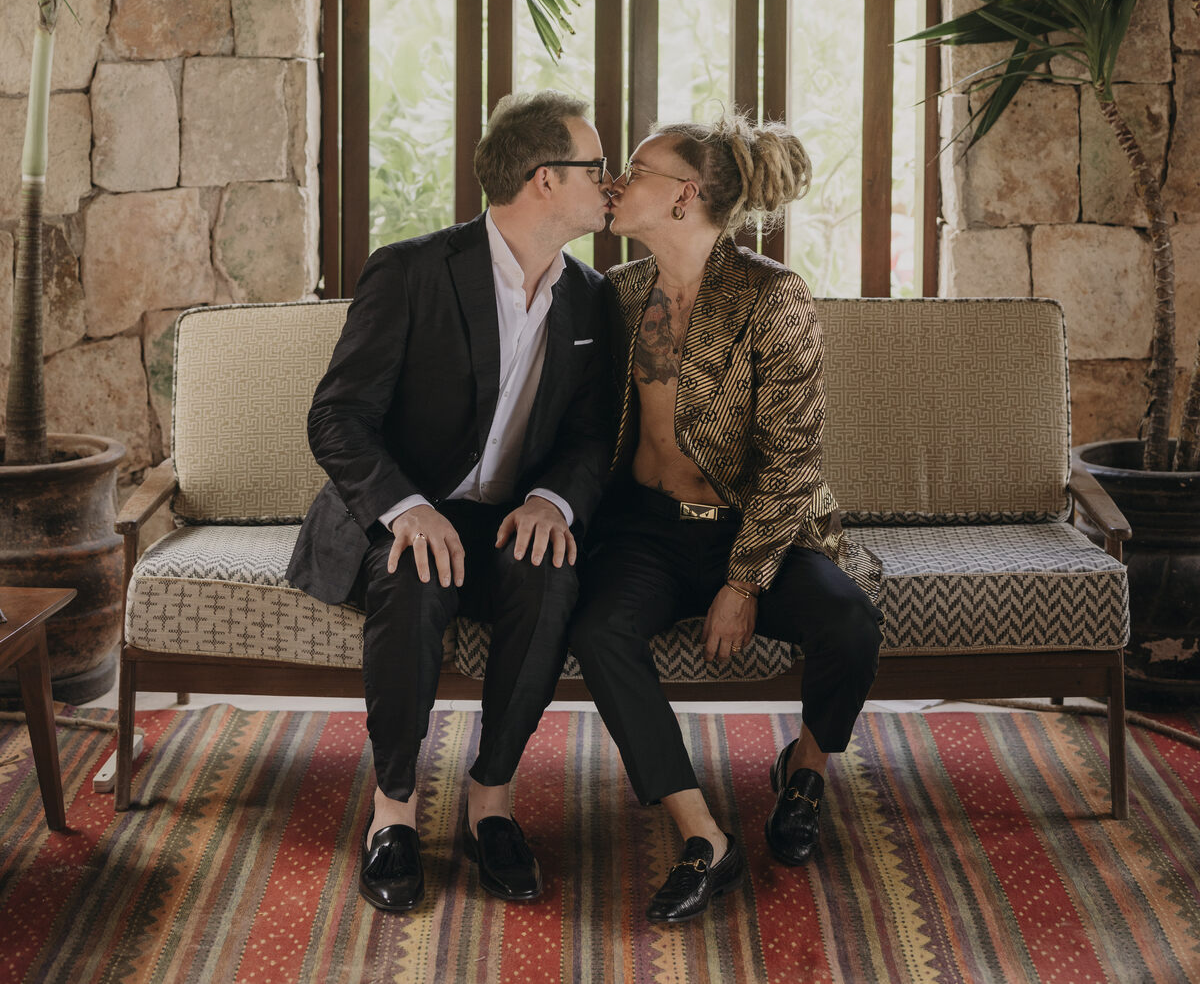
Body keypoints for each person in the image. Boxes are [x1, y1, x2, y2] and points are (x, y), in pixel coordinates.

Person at [286, 90, 614, 914]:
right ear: (545, 178)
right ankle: (393, 809)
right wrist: (405, 507)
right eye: (596, 166)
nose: (608, 183)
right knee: (412, 573)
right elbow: (336, 415)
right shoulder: (411, 271)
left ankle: (491, 800)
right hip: (405, 506)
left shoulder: (590, 297)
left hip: (507, 517)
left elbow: (590, 437)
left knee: (551, 574)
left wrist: (551, 501)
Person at [569, 110, 883, 926]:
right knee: (598, 630)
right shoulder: (619, 293)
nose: (616, 182)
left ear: (684, 195)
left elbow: (793, 458)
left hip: (750, 525)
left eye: (635, 170)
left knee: (850, 619)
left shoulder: (772, 297)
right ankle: (702, 834)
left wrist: (743, 583)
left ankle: (805, 771)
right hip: (645, 530)